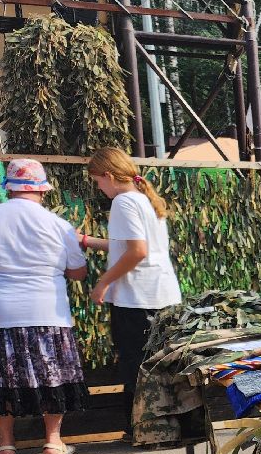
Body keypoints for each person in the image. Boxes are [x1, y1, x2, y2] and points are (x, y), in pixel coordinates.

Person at [0, 159, 90, 454]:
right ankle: (53, 442)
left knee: (0, 377)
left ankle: (5, 444)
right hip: (46, 310)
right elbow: (78, 272)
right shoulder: (58, 224)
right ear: (43, 190)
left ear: (9, 189)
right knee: (51, 374)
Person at [78, 147, 183, 436]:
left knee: (135, 367)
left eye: (98, 181)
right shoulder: (142, 199)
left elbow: (137, 251)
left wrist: (104, 281)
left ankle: (139, 428)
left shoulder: (124, 202)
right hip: (161, 294)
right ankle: (161, 427)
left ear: (109, 176)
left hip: (137, 298)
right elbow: (128, 245)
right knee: (158, 363)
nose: (98, 187)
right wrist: (88, 241)